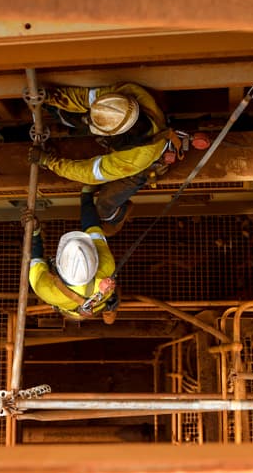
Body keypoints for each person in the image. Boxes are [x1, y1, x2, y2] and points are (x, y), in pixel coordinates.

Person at [35, 82, 182, 235]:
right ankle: (56, 111)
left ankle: (117, 216)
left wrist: (50, 162)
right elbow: (89, 97)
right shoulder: (127, 96)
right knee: (74, 117)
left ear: (117, 135)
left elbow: (90, 172)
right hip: (126, 140)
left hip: (141, 169)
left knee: (103, 208)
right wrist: (53, 97)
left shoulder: (136, 158)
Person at [28, 186, 119, 324]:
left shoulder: (48, 289)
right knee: (111, 309)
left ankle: (86, 194)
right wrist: (35, 233)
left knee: (110, 307)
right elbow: (93, 229)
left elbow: (36, 262)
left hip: (86, 305)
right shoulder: (106, 265)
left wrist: (33, 231)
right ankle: (109, 312)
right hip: (99, 303)